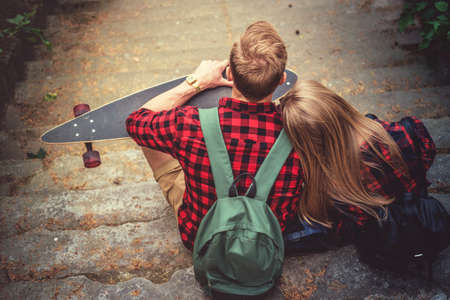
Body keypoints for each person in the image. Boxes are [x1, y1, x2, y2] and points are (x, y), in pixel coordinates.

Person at [126, 21, 303, 251]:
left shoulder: (190, 124)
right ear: (281, 81)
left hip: (203, 238)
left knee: (153, 138)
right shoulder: (300, 132)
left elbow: (135, 122)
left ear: (230, 73)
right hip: (265, 242)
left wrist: (196, 83)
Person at [278, 79, 436, 239]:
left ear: (310, 144)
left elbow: (348, 224)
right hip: (422, 209)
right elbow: (427, 155)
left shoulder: (335, 186)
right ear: (338, 104)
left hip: (383, 234)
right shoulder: (403, 132)